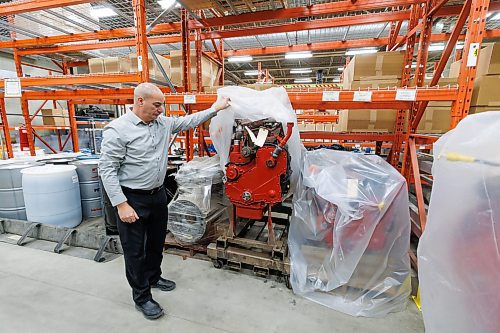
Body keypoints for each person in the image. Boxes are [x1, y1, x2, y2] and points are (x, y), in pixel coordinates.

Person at [99, 82, 230, 320]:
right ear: (140, 101)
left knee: (156, 243)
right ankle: (142, 297)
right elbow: (106, 170)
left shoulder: (162, 123)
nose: (161, 110)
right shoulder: (117, 130)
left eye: (162, 105)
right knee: (135, 251)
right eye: (157, 105)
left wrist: (216, 108)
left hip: (157, 195)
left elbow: (191, 121)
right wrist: (121, 204)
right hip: (131, 199)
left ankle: (153, 276)